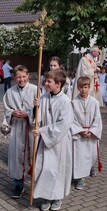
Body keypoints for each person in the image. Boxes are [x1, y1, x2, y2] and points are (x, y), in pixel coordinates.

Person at [32, 69, 73, 211]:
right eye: (46, 80)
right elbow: (39, 118)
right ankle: (46, 196)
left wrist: (42, 131)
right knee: (45, 169)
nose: (46, 83)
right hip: (45, 141)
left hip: (59, 142)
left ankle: (57, 197)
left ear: (58, 84)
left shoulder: (65, 101)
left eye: (49, 81)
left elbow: (64, 124)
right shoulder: (43, 98)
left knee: (58, 170)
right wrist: (36, 108)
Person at [3, 65, 37, 199]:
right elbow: (6, 109)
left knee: (33, 156)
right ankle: (18, 184)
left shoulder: (36, 90)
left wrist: (28, 114)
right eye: (18, 77)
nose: (21, 79)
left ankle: (35, 183)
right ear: (14, 77)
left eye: (23, 76)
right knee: (17, 157)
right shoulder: (10, 92)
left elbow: (40, 109)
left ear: (28, 75)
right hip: (17, 129)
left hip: (31, 129)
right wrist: (12, 113)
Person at [71, 76, 103, 190]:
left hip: (91, 133)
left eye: (85, 87)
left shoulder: (94, 102)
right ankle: (80, 178)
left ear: (89, 87)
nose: (83, 90)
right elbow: (71, 119)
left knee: (91, 155)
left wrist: (92, 131)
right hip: (79, 133)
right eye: (81, 87)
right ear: (78, 88)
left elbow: (97, 119)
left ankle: (90, 166)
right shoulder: (73, 103)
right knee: (79, 157)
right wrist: (79, 131)